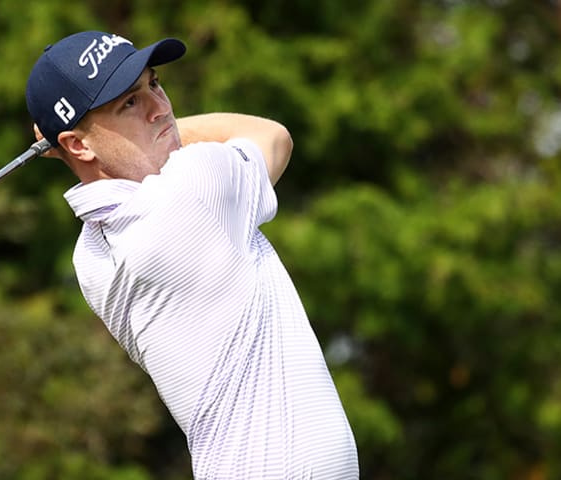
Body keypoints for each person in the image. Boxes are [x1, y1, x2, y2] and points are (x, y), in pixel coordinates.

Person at [25, 31, 359, 479]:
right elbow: (273, 135)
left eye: (154, 83)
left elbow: (131, 157)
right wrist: (164, 131)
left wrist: (86, 144)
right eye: (128, 103)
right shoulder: (192, 192)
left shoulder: (91, 257)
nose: (160, 107)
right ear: (77, 145)